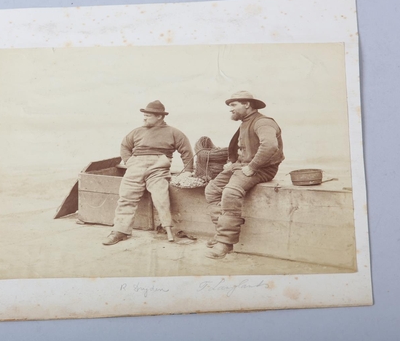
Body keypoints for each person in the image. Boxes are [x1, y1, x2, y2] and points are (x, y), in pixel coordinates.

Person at [204, 91, 284, 259]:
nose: (230, 109)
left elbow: (269, 146)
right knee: (212, 189)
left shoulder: (263, 122)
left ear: (247, 104)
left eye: (233, 105)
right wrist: (232, 162)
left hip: (262, 168)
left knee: (230, 192)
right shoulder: (245, 123)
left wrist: (253, 166)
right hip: (242, 166)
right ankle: (221, 234)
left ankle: (225, 243)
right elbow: (240, 147)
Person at [102, 100, 194, 245]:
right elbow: (125, 146)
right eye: (144, 115)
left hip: (159, 166)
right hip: (136, 164)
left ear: (160, 117)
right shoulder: (137, 131)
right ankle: (120, 231)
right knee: (126, 196)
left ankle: (168, 228)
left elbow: (187, 151)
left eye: (148, 116)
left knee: (161, 196)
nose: (144, 118)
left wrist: (188, 171)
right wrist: (129, 161)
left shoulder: (173, 132)